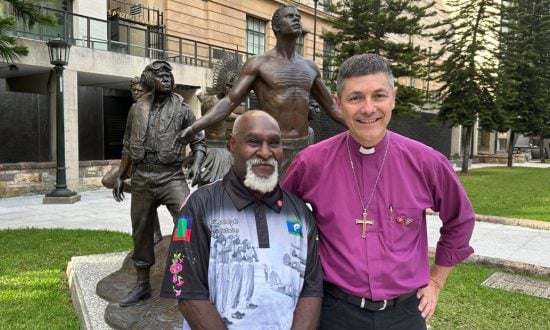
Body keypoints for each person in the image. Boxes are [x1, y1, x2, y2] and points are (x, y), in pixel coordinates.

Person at [280, 54, 475, 329]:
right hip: (334, 310)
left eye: (379, 95)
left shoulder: (426, 162)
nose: (368, 108)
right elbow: (277, 217)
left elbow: (461, 219)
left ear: (393, 98)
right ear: (338, 103)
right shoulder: (311, 163)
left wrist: (436, 281)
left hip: (406, 312)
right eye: (356, 98)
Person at [160, 111, 323, 329]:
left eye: (274, 143)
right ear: (232, 144)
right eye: (254, 141)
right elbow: (187, 292)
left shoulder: (300, 213)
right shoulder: (197, 206)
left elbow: (311, 289)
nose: (266, 153)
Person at [173, 4, 345, 175]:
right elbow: (230, 101)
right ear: (276, 26)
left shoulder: (310, 67)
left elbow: (331, 107)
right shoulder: (259, 63)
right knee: (271, 198)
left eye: (298, 17)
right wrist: (194, 127)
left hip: (305, 143)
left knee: (304, 197)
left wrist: (363, 128)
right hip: (274, 146)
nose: (297, 19)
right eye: (290, 16)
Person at [112, 60, 206, 307]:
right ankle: (142, 284)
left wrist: (196, 163)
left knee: (187, 221)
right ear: (148, 80)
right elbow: (126, 145)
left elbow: (199, 141)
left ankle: (186, 276)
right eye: (160, 75)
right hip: (142, 177)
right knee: (141, 230)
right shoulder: (137, 109)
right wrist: (122, 175)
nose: (166, 78)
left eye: (168, 75)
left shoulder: (183, 109)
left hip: (171, 176)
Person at [102, 77, 163, 244]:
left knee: (183, 211)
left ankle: (183, 239)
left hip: (161, 167)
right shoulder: (134, 109)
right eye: (133, 90)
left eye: (139, 90)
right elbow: (127, 141)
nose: (135, 93)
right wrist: (122, 173)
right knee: (109, 180)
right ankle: (145, 195)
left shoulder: (163, 109)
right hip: (137, 161)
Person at [193, 54, 245, 186]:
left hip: (221, 148)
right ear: (224, 85)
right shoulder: (214, 103)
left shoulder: (220, 101)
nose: (233, 90)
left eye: (235, 87)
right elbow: (225, 114)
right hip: (214, 149)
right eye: (230, 86)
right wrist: (244, 117)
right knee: (212, 183)